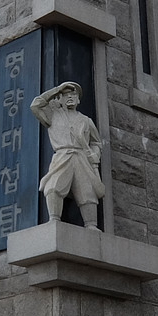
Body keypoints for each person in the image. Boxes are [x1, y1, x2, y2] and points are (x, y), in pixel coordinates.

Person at [30, 82, 104, 227]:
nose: (70, 97)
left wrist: (95, 155)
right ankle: (54, 219)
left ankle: (91, 225)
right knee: (53, 186)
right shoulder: (53, 115)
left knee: (87, 193)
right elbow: (35, 105)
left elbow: (96, 143)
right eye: (66, 95)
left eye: (73, 95)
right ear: (60, 98)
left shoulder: (86, 121)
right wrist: (57, 90)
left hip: (82, 157)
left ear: (78, 99)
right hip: (62, 155)